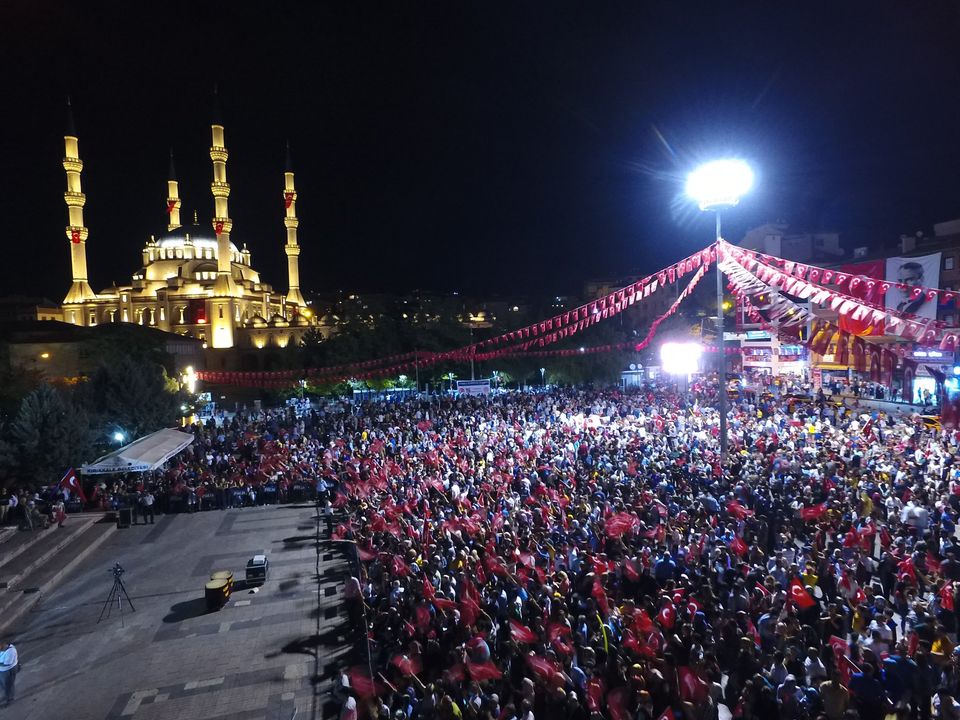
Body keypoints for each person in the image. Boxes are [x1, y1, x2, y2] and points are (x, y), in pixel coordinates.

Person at [0, 640, 18, 706]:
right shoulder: (2, 648)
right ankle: (6, 695)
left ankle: (10, 699)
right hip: (2, 670)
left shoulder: (11, 651)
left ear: (4, 645)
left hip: (8, 670)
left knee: (8, 685)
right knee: (2, 684)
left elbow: (7, 664)